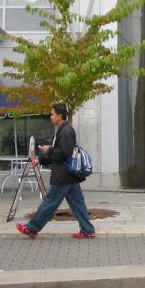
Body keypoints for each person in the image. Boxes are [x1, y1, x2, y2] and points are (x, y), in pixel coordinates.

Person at [16, 102, 95, 239]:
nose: (50, 117)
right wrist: (41, 160)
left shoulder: (66, 131)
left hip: (63, 175)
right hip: (68, 175)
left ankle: (31, 228)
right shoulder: (64, 130)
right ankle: (87, 230)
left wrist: (47, 151)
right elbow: (59, 152)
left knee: (50, 202)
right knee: (77, 203)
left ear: (59, 115)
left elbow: (62, 153)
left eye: (52, 114)